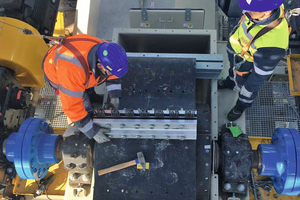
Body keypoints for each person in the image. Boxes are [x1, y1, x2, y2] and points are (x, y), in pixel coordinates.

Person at [42, 34, 128, 143]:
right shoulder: (72, 72)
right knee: (82, 101)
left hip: (81, 69)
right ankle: (90, 115)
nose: (112, 75)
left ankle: (92, 97)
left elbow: (113, 76)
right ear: (99, 66)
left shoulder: (106, 49)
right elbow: (72, 108)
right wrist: (92, 131)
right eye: (109, 72)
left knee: (88, 85)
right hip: (55, 71)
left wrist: (114, 97)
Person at [218, 0, 289, 121]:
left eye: (250, 9)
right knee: (232, 71)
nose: (246, 11)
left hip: (246, 65)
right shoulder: (267, 7)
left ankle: (240, 106)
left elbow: (258, 76)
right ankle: (230, 83)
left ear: (266, 12)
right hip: (237, 53)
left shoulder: (273, 45)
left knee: (246, 89)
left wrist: (247, 88)